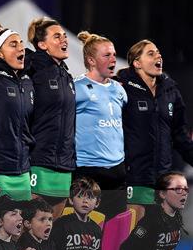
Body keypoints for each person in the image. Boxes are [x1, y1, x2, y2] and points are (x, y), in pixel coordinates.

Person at [116, 40, 193, 222]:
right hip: (133, 178)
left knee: (156, 243)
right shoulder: (120, 89)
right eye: (150, 54)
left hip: (162, 181)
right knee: (131, 239)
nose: (158, 56)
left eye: (158, 53)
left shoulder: (171, 91)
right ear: (137, 63)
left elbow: (180, 136)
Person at [74, 31, 128, 221]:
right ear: (91, 60)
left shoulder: (119, 89)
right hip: (89, 171)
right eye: (107, 55)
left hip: (117, 171)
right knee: (86, 235)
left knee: (116, 234)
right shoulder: (77, 88)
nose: (113, 59)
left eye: (114, 54)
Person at [25, 17, 76, 219]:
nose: (64, 39)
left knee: (49, 234)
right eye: (57, 36)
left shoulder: (67, 76)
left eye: (64, 36)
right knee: (29, 229)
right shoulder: (32, 67)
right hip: (39, 161)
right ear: (42, 45)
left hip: (64, 165)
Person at [0, 22, 35, 202]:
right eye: (13, 45)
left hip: (23, 169)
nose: (20, 48)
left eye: (21, 43)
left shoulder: (28, 80)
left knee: (21, 227)